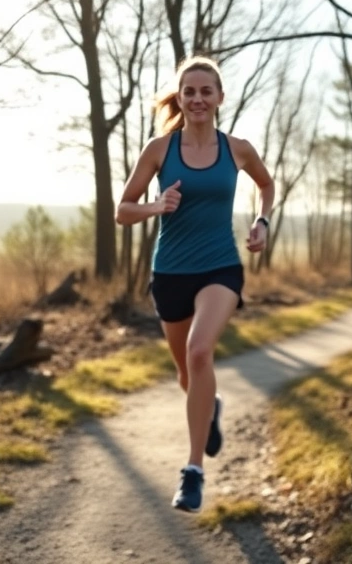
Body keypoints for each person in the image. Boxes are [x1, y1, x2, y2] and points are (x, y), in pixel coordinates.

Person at [115, 56, 275, 513]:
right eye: (190, 91)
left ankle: (193, 470)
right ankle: (212, 407)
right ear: (180, 98)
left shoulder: (237, 148)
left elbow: (266, 185)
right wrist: (155, 205)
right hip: (170, 273)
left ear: (220, 98)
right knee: (188, 374)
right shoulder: (159, 150)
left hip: (220, 267)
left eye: (207, 91)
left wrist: (262, 222)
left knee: (198, 352)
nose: (198, 98)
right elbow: (122, 211)